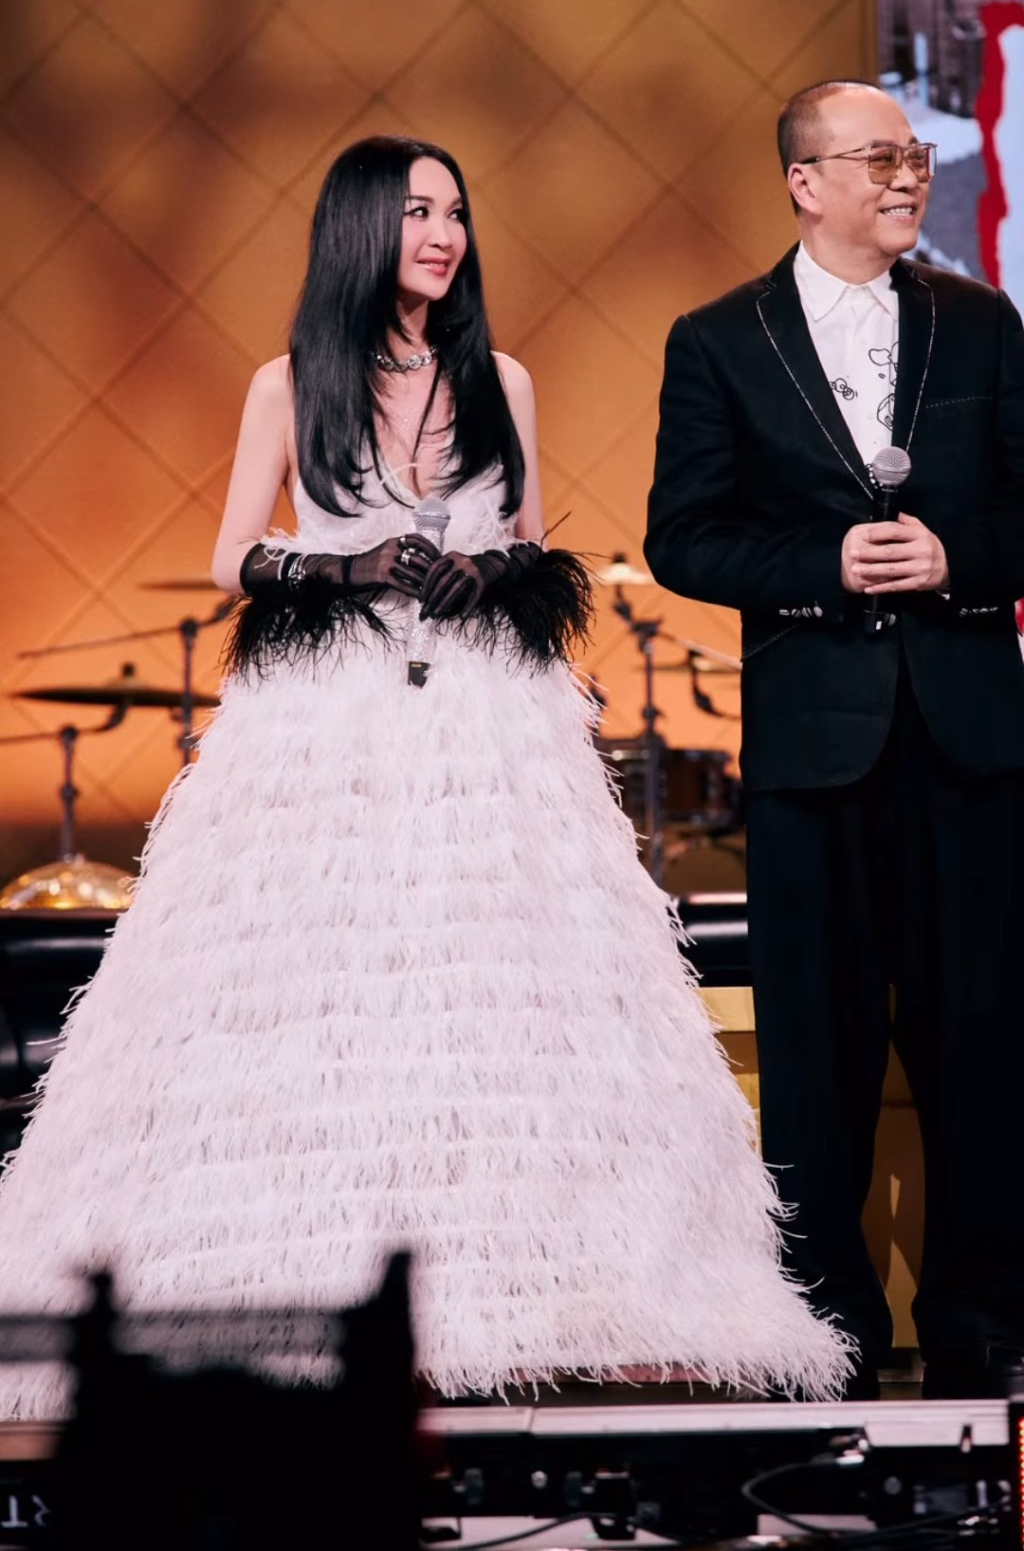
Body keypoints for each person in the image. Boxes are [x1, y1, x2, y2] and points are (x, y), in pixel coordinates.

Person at [0, 135, 848, 1419]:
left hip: (488, 719)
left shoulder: (501, 377)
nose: (443, 234)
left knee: (501, 982)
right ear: (360, 228)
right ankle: (293, 1291)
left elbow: (534, 539)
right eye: (415, 212)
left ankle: (550, 1301)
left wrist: (489, 570)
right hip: (328, 722)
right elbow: (234, 556)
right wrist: (339, 568)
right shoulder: (289, 383)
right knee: (325, 986)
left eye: (454, 211)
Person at [645, 81, 1024, 1400]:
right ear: (805, 183)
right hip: (814, 750)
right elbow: (683, 536)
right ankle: (828, 1329)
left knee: (982, 1040)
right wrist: (824, 566)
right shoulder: (719, 339)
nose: (908, 176)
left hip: (969, 742)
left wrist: (957, 558)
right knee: (818, 1056)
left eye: (912, 156)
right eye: (878, 159)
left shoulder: (980, 322)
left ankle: (984, 1321)